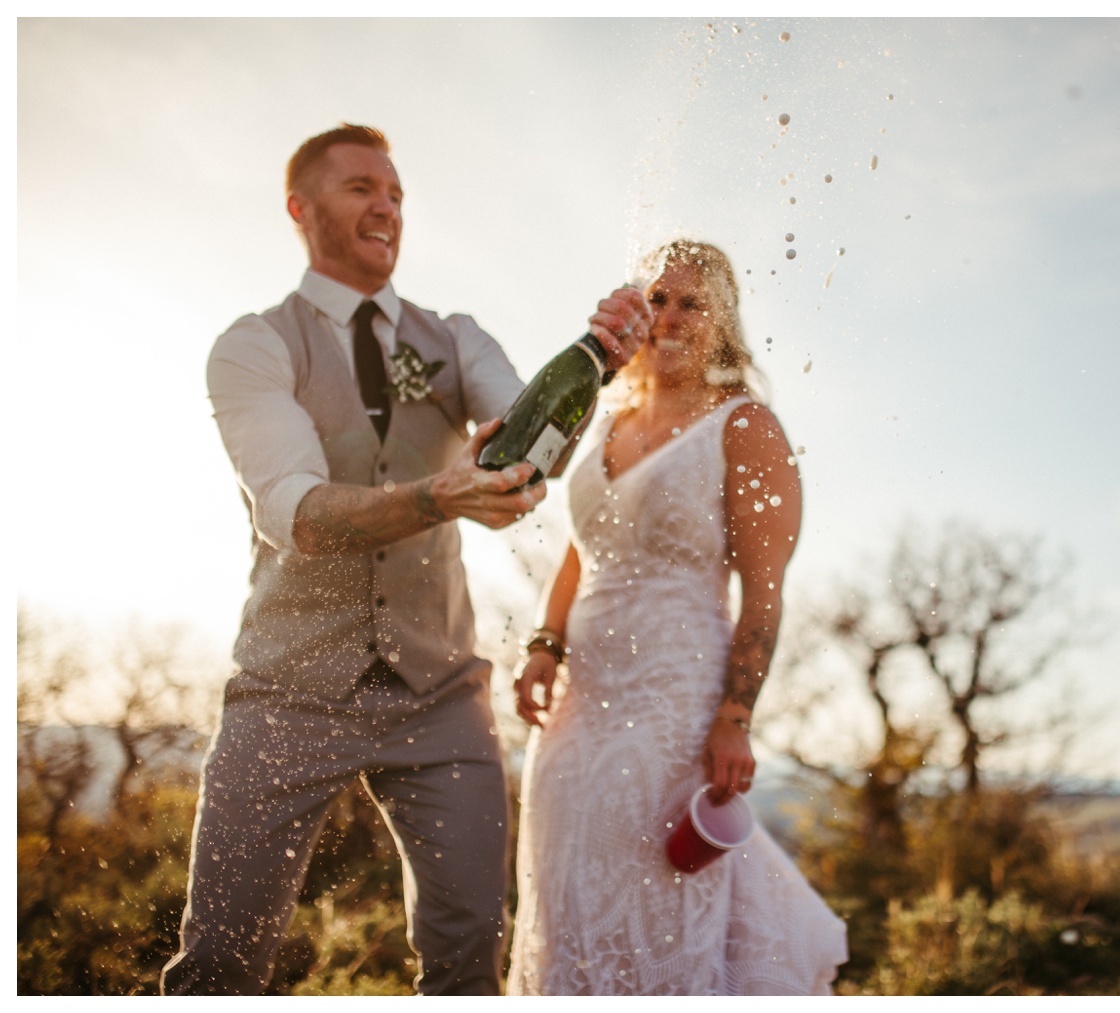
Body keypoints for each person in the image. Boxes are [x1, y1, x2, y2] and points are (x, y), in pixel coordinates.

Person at [159, 124, 651, 995]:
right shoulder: (255, 346)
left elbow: (525, 449)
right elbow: (297, 512)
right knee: (220, 965)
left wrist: (598, 362)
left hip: (440, 698)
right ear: (300, 209)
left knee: (468, 963)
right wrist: (436, 494)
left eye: (395, 193)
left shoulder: (454, 339)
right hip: (287, 691)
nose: (386, 205)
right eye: (360, 188)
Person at [506, 240, 848, 994]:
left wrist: (735, 713)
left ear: (722, 321)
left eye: (691, 302)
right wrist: (544, 642)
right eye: (657, 298)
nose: (669, 316)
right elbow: (580, 550)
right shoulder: (604, 416)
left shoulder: (746, 426)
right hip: (577, 710)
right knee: (565, 896)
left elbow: (765, 589)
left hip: (675, 709)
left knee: (661, 901)